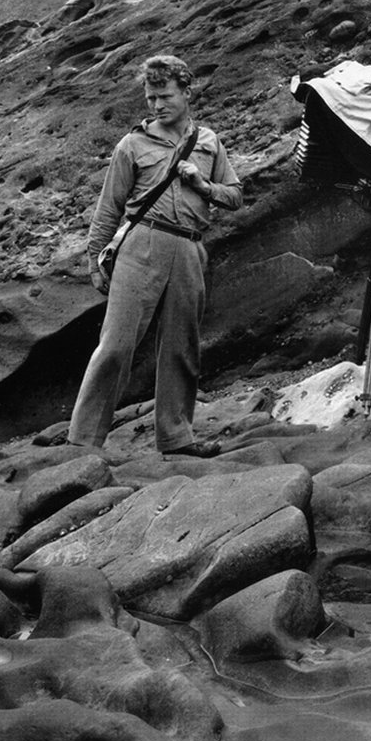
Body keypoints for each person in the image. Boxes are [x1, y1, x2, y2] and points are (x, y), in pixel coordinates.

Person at [67, 54, 242, 456]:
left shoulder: (210, 142)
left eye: (164, 96)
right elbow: (109, 207)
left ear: (186, 92)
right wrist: (96, 259)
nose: (157, 105)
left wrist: (202, 185)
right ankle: (81, 444)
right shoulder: (132, 144)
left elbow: (235, 195)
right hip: (141, 243)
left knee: (182, 346)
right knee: (115, 345)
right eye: (150, 98)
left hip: (190, 247)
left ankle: (178, 438)